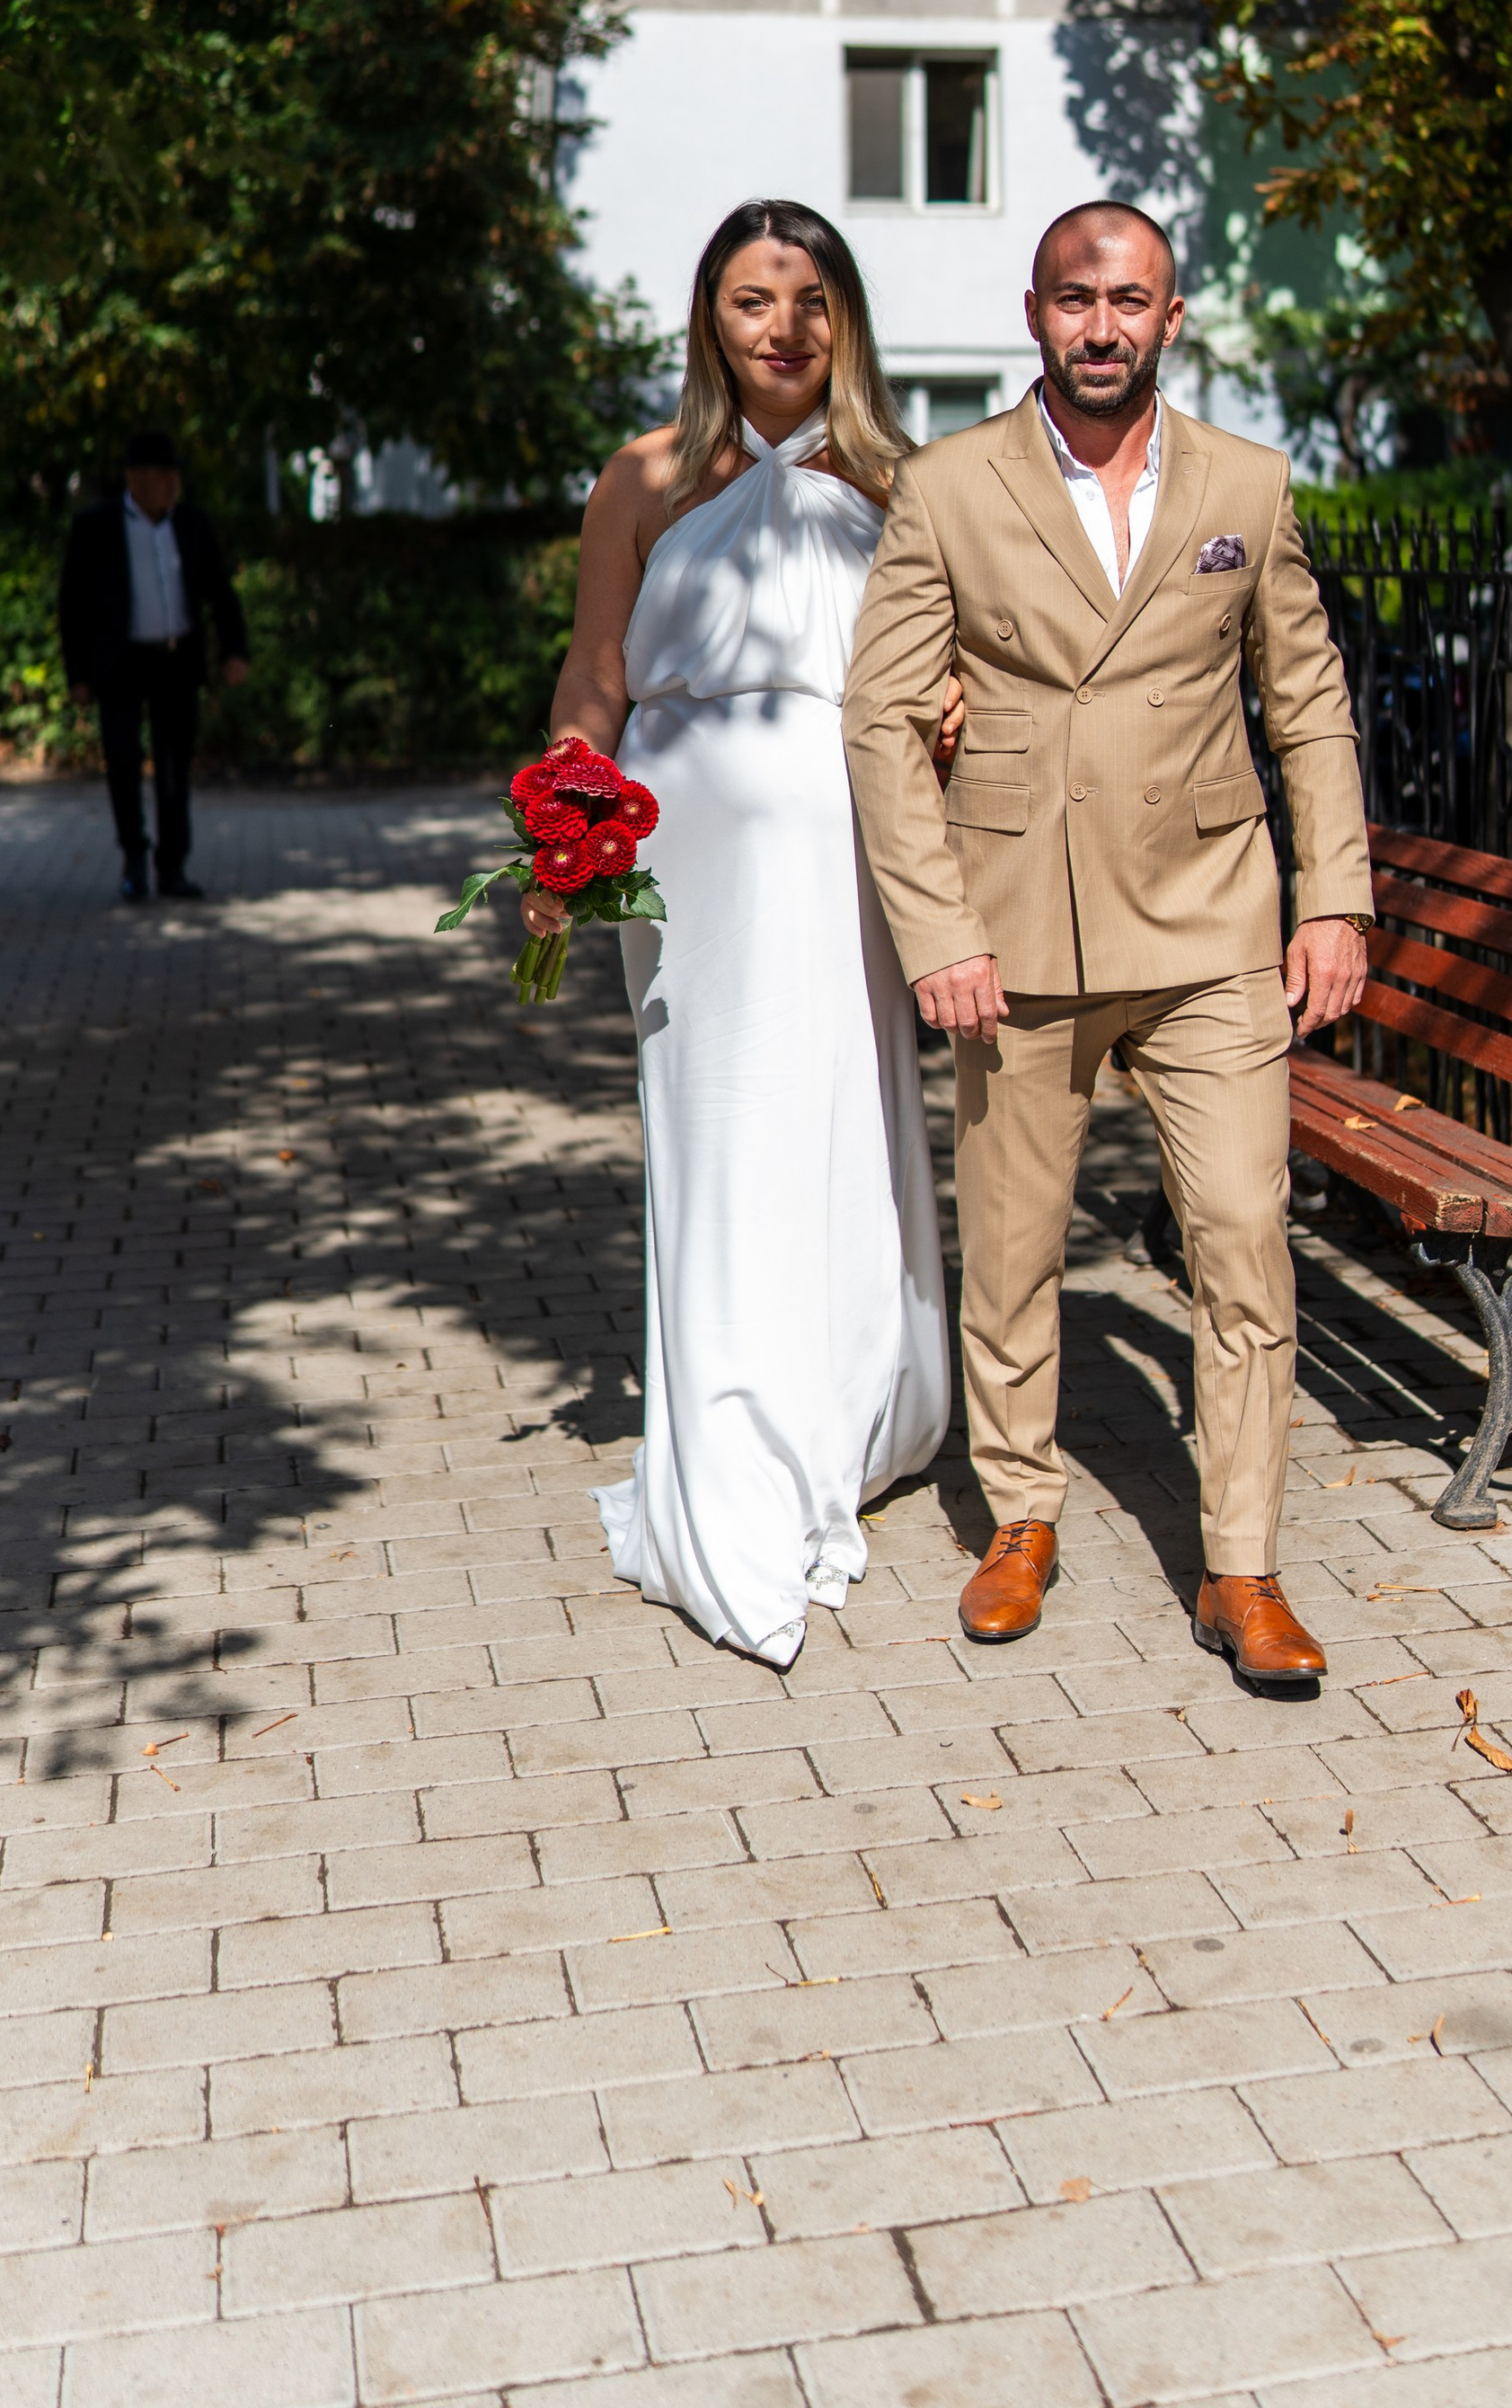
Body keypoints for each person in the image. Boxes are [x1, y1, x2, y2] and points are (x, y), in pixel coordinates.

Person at [841, 201, 1375, 1687]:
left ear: (1171, 317)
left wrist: (1334, 897)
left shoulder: (1246, 487)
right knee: (1013, 1251)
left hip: (1212, 921)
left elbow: (1309, 703)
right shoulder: (949, 489)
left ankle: (1243, 1565)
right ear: (1035, 311)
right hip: (1015, 934)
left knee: (1245, 1242)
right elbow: (883, 718)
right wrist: (936, 924)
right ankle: (1020, 1514)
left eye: (1128, 299)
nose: (1100, 324)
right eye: (1076, 297)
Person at [530, 199, 958, 1668]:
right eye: (750, 297)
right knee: (714, 1138)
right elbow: (597, 667)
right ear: (708, 315)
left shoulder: (903, 480)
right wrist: (559, 825)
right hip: (685, 854)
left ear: (846, 317)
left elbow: (952, 669)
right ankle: (724, 1448)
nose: (782, 324)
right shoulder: (645, 475)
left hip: (850, 850)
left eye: (811, 296)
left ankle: (839, 1416)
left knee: (841, 1123)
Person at [58, 429, 250, 903]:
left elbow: (220, 592)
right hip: (120, 662)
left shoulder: (191, 524)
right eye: (162, 474)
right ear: (134, 478)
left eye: (174, 474)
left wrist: (235, 649)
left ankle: (172, 866)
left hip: (175, 658)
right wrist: (78, 675)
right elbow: (73, 605)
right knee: (123, 760)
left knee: (173, 765)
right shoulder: (96, 526)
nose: (171, 483)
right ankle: (134, 859)